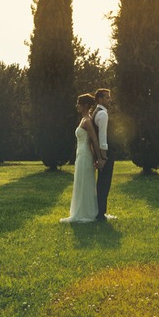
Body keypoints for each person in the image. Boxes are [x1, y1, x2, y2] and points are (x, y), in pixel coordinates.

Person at [60, 93, 104, 224]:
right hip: (80, 155)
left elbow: (94, 141)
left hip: (85, 156)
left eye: (79, 103)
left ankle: (85, 212)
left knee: (85, 183)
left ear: (85, 106)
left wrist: (99, 158)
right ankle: (80, 210)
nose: (76, 106)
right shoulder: (83, 119)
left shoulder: (88, 121)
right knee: (80, 183)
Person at [93, 88, 116, 221]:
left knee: (101, 183)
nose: (109, 100)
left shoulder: (97, 112)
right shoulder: (102, 114)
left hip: (102, 153)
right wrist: (103, 156)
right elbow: (102, 137)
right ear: (100, 99)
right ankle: (101, 213)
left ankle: (100, 211)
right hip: (106, 153)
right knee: (104, 183)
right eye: (107, 97)